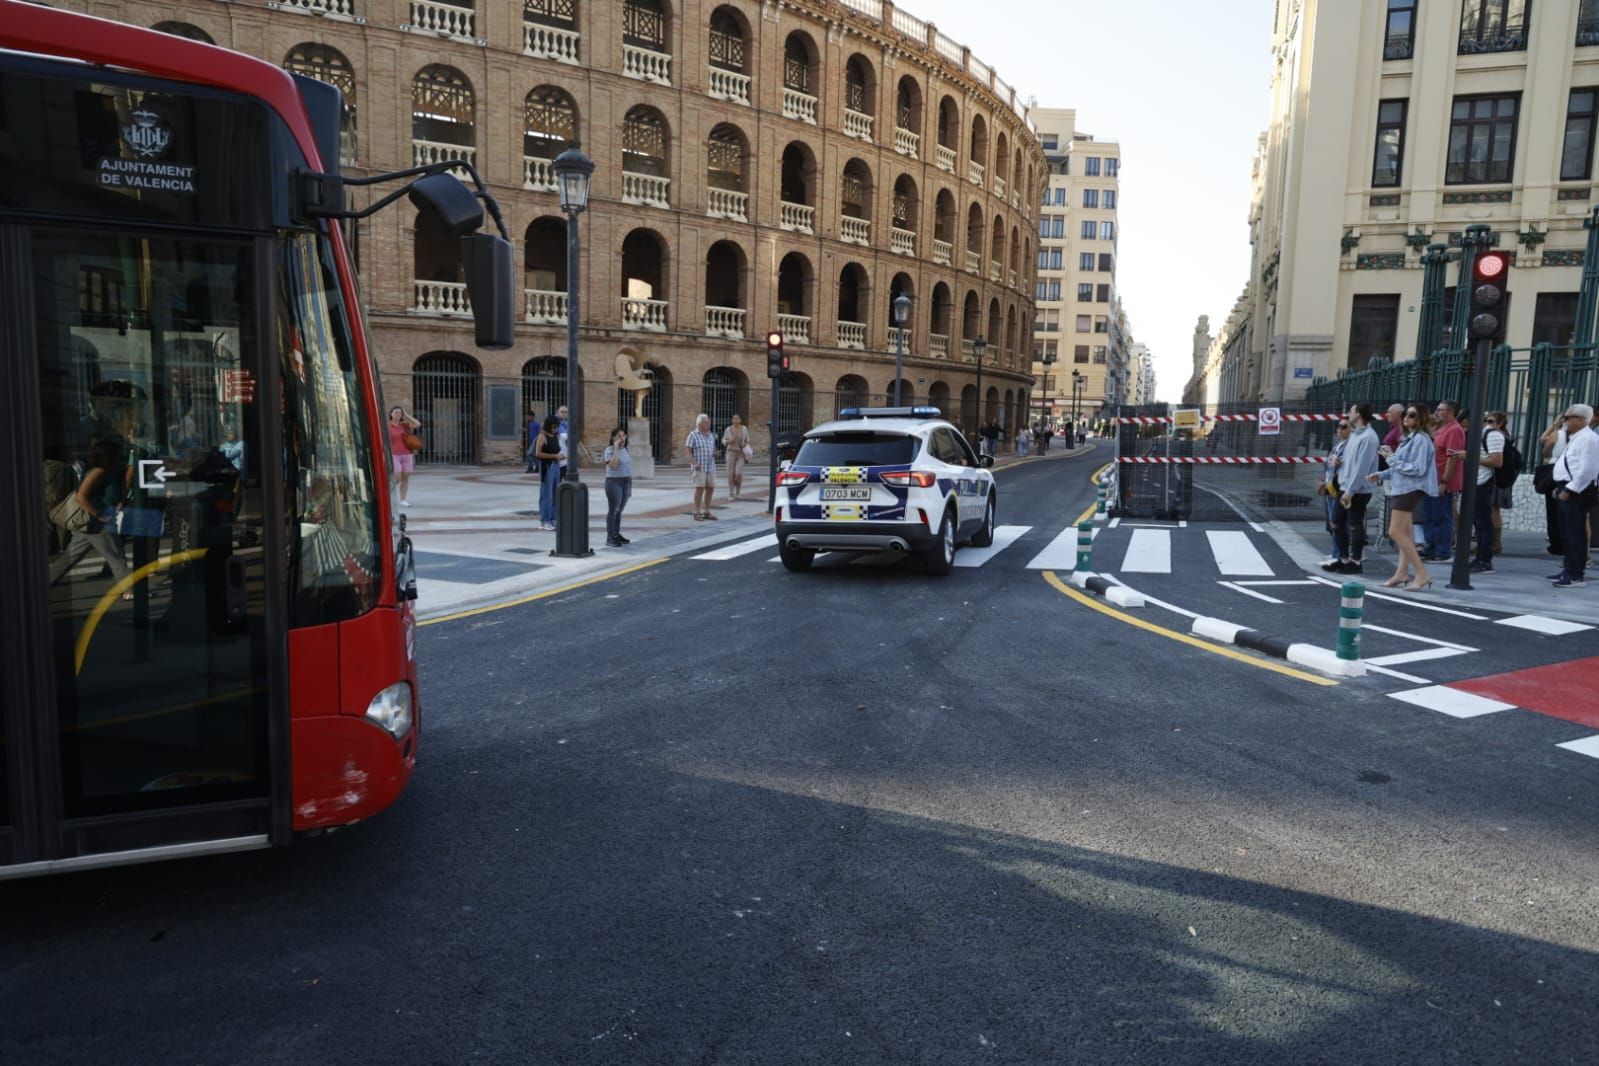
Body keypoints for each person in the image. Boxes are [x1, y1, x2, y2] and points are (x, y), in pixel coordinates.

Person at [48, 438, 133, 597]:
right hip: (96, 523)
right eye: (117, 454)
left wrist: (120, 501)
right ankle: (130, 590)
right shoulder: (97, 472)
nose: (120, 457)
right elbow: (81, 497)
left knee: (70, 558)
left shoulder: (109, 472)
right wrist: (99, 515)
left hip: (92, 523)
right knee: (116, 556)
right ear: (109, 456)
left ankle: (43, 583)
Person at [1370, 404, 1438, 590]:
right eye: (1406, 414)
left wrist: (1390, 458)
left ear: (1421, 418)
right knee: (1405, 534)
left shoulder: (1421, 440)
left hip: (1409, 489)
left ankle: (1421, 573)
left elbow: (1417, 469)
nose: (1406, 417)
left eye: (1412, 415)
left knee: (1395, 532)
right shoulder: (1410, 439)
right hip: (1403, 488)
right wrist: (1382, 474)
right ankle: (1401, 573)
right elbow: (1400, 467)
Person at [1325, 402, 1379, 575]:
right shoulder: (1355, 435)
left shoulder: (1369, 437)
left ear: (1359, 414)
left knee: (1354, 524)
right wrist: (1341, 465)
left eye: (1352, 411)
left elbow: (1362, 467)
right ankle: (1343, 558)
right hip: (1345, 485)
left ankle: (1356, 562)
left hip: (1358, 489)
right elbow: (1351, 462)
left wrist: (1350, 490)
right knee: (1336, 522)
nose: (1349, 413)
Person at [1550, 404, 1598, 588]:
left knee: (1576, 533)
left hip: (1577, 491)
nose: (1565, 420)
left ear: (1582, 420)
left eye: (1569, 417)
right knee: (1567, 533)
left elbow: (1588, 469)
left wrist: (1570, 490)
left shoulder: (1588, 439)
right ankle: (1568, 569)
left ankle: (1575, 574)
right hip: (1568, 487)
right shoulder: (1576, 437)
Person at [1423, 400, 1464, 561]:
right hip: (1432, 478)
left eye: (1441, 409)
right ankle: (1431, 547)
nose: (1437, 412)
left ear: (1451, 412)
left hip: (1442, 480)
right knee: (1430, 515)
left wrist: (1445, 482)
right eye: (1437, 409)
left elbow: (1452, 458)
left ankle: (1442, 551)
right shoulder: (1441, 428)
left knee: (1441, 515)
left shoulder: (1454, 430)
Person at [1467, 410, 1506, 573]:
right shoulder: (1479, 434)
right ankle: (1480, 558)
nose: (1487, 422)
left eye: (1490, 420)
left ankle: (1485, 560)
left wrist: (1468, 457)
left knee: (1484, 523)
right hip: (1475, 482)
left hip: (1483, 482)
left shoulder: (1493, 435)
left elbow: (1497, 461)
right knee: (1478, 523)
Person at [1321, 417, 1351, 561]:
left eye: (1343, 427)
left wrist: (1339, 464)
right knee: (1333, 522)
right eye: (1338, 426)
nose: (1339, 429)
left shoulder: (1349, 446)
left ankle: (1340, 554)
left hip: (1340, 487)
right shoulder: (1339, 445)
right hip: (1331, 486)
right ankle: (1335, 552)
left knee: (1339, 523)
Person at [603, 426, 633, 547]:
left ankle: (616, 534)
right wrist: (615, 448)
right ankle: (610, 537)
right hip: (614, 482)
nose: (622, 438)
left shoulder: (625, 449)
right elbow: (613, 465)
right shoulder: (609, 450)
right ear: (613, 438)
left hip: (626, 482)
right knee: (613, 510)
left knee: (619, 510)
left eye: (624, 435)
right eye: (619, 436)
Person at [532, 415, 564, 531]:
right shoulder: (542, 436)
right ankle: (545, 520)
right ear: (548, 425)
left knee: (555, 494)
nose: (555, 429)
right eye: (553, 427)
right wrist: (554, 456)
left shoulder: (555, 436)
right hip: (547, 466)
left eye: (557, 427)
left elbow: (556, 450)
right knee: (547, 494)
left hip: (556, 466)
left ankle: (553, 518)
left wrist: (560, 456)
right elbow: (538, 454)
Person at [685, 413, 718, 520]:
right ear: (700, 424)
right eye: (706, 422)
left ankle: (706, 511)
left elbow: (711, 450)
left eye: (709, 422)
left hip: (711, 466)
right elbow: (688, 452)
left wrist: (715, 453)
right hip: (699, 467)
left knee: (710, 488)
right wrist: (694, 463)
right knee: (700, 489)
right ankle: (697, 512)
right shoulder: (693, 435)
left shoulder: (710, 435)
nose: (709, 424)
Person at [387, 405, 421, 507]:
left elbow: (418, 424)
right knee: (397, 477)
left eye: (400, 413)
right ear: (391, 414)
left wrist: (407, 415)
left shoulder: (404, 425)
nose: (398, 414)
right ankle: (387, 495)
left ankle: (403, 499)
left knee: (406, 477)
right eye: (396, 412)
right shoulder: (387, 426)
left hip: (407, 454)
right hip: (394, 455)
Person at [721, 414, 750, 501]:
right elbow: (723, 440)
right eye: (734, 418)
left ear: (740, 420)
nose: (736, 420)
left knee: (738, 473)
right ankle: (731, 493)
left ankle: (738, 491)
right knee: (730, 474)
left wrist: (745, 443)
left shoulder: (744, 428)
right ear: (732, 420)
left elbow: (747, 439)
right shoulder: (728, 429)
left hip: (741, 453)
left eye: (737, 418)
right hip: (731, 453)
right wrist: (728, 441)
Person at [555, 404, 571, 480]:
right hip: (557, 456)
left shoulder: (567, 424)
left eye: (566, 412)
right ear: (557, 412)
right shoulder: (554, 424)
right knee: (558, 481)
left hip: (566, 456)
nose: (564, 413)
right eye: (562, 412)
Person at [525, 407, 541, 474]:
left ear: (532, 416)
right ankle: (537, 468)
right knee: (533, 455)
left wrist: (537, 441)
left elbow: (539, 433)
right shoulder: (528, 424)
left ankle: (531, 467)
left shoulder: (537, 424)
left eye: (529, 416)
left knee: (529, 454)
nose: (528, 418)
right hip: (530, 442)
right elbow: (528, 431)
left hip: (535, 442)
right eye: (527, 416)